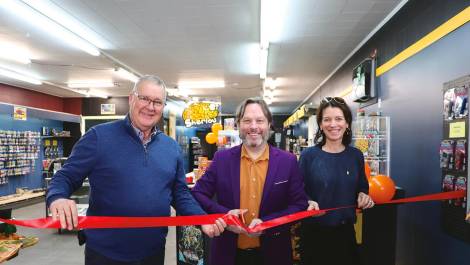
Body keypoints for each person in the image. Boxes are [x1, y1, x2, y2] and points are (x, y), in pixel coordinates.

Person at [46, 75, 223, 265]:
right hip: (105, 254)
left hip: (153, 252)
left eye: (157, 102)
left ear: (163, 107)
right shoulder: (98, 137)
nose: (150, 106)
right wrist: (58, 197)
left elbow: (180, 194)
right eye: (144, 98)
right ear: (131, 99)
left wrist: (201, 217)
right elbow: (65, 176)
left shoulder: (170, 148)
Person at [192, 98, 308, 265]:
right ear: (239, 124)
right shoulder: (222, 159)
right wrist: (226, 217)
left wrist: (268, 222)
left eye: (260, 120)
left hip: (274, 253)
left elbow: (299, 204)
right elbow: (198, 194)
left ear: (269, 124)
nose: (253, 127)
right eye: (247, 121)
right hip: (228, 254)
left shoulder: (287, 161)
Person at [298, 96, 374, 265]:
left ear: (347, 123)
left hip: (345, 234)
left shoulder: (355, 156)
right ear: (320, 124)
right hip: (314, 236)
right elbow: (297, 191)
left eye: (339, 119)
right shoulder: (309, 156)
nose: (333, 124)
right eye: (327, 119)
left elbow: (362, 186)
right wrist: (308, 201)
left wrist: (363, 195)